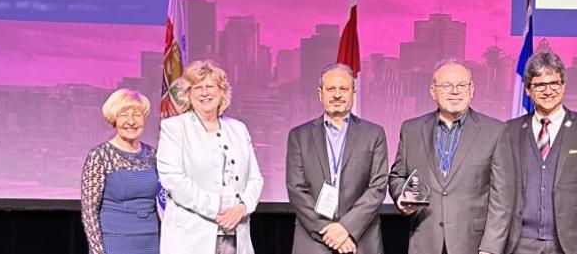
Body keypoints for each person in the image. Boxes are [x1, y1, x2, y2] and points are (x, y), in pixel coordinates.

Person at [493, 50, 577, 254]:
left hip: (572, 242)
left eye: (554, 83)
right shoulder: (509, 130)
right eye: (539, 84)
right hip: (519, 242)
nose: (548, 91)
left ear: (564, 86)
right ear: (528, 90)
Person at [388, 59, 508, 254]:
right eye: (446, 85)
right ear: (433, 91)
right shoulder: (411, 129)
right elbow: (397, 176)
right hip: (424, 242)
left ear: (472, 90)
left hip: (474, 245)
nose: (455, 91)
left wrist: (491, 247)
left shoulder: (496, 131)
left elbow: (502, 198)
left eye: (462, 85)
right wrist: (402, 196)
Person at [157, 61, 264, 254]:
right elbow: (173, 180)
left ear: (222, 92)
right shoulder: (174, 128)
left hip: (236, 234)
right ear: (188, 94)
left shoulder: (239, 129)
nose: (204, 93)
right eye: (197, 88)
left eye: (210, 86)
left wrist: (241, 208)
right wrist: (218, 209)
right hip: (191, 237)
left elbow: (255, 178)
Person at [286, 64, 389, 254]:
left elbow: (378, 186)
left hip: (361, 238)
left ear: (353, 93)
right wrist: (329, 233)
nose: (337, 95)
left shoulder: (374, 134)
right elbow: (296, 189)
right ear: (320, 94)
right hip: (313, 239)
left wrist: (346, 229)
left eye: (344, 89)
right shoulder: (299, 136)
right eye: (330, 89)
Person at [80, 88, 159, 254]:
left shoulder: (153, 155)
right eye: (124, 114)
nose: (131, 121)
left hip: (149, 241)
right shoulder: (100, 155)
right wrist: (97, 251)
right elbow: (89, 211)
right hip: (114, 241)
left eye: (137, 114)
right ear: (114, 119)